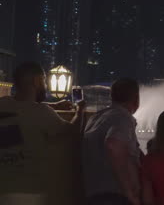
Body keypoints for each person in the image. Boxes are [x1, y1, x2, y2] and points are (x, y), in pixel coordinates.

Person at [0, 62, 85, 205]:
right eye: (44, 80)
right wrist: (80, 109)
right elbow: (74, 130)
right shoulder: (43, 113)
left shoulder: (3, 104)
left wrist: (54, 105)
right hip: (29, 192)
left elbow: (23, 108)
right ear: (36, 81)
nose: (45, 85)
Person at [82, 78, 141, 205]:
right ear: (136, 98)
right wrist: (129, 192)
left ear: (112, 97)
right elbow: (113, 145)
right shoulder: (122, 117)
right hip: (115, 196)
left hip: (93, 194)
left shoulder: (95, 118)